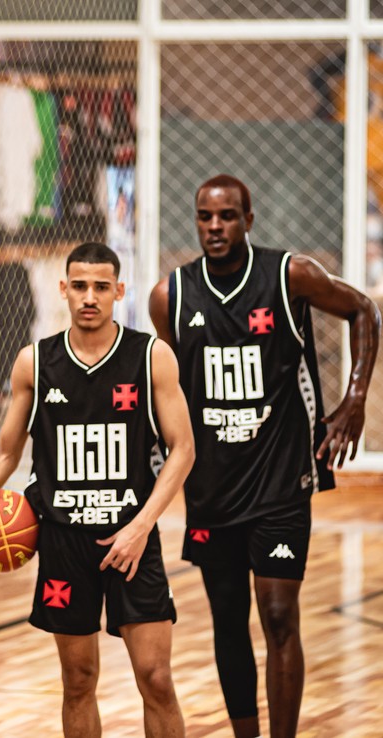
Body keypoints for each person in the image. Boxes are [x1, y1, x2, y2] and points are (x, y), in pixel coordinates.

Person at [149, 174, 381, 738]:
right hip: (212, 484)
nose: (215, 226)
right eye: (205, 216)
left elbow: (364, 310)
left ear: (248, 220)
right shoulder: (170, 297)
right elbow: (169, 386)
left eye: (227, 216)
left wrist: (354, 399)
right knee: (228, 623)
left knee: (278, 615)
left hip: (281, 476)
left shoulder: (289, 274)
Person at [0, 242, 194, 737]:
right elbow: (6, 452)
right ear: (63, 289)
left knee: (157, 678)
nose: (89, 296)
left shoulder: (151, 357)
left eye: (102, 287)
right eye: (79, 285)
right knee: (78, 680)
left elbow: (183, 449)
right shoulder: (35, 363)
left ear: (119, 290)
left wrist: (142, 526)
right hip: (62, 542)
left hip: (132, 540)